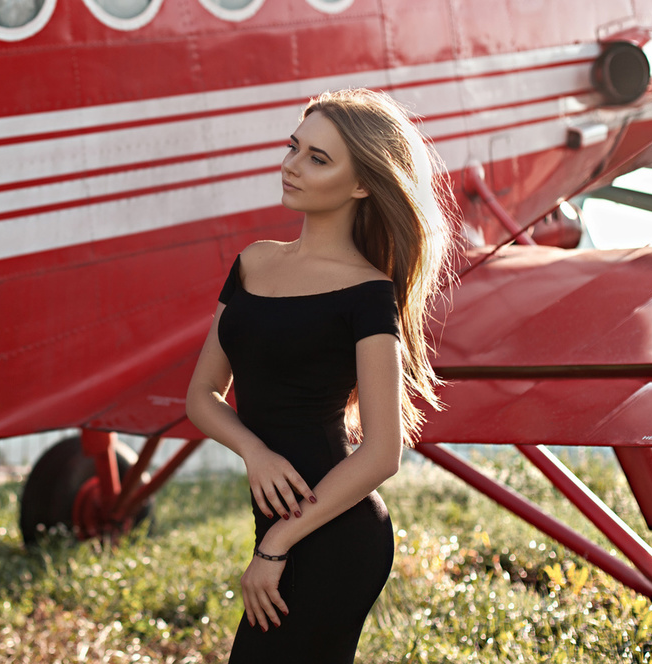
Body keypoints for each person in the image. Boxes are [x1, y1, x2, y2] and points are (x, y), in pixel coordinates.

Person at [184, 88, 452, 663]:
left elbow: (382, 454)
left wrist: (277, 544)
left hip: (335, 537)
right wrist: (255, 452)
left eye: (317, 159)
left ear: (361, 185)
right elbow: (202, 396)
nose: (291, 166)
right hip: (280, 530)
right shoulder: (253, 263)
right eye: (294, 147)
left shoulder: (368, 294)